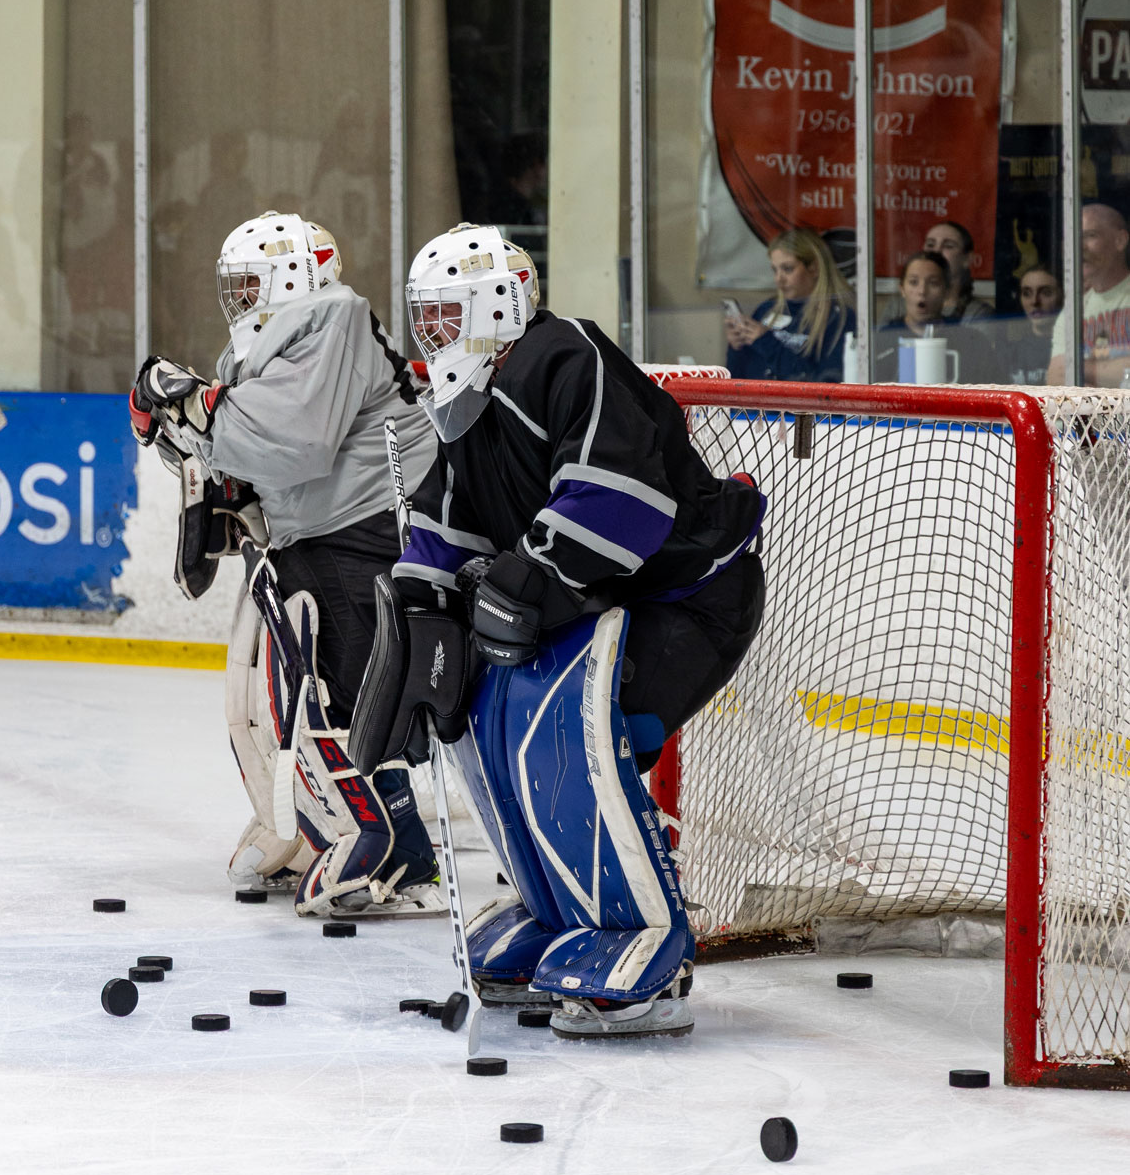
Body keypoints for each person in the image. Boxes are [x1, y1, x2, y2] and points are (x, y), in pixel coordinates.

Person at [352, 222, 766, 1042]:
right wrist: (421, 598)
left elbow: (623, 498)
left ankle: (639, 932)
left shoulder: (562, 356)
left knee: (567, 738)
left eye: (447, 314)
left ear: (499, 305)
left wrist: (529, 575)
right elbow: (450, 521)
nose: (431, 334)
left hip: (686, 598)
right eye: (423, 316)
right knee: (487, 721)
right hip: (599, 600)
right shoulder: (464, 403)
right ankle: (556, 910)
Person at [129, 210, 443, 916]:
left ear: (293, 276)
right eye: (232, 284)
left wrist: (194, 407)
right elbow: (236, 446)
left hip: (364, 533)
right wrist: (179, 423)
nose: (237, 298)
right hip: (321, 535)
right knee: (282, 695)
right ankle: (308, 824)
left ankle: (396, 849)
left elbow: (289, 440)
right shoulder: (279, 342)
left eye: (250, 283)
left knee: (345, 695)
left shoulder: (333, 316)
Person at [724, 227, 854, 382]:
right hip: (754, 403)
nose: (779, 279)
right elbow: (736, 378)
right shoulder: (766, 310)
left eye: (788, 269)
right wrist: (737, 348)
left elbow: (820, 382)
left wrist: (765, 341)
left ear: (813, 268)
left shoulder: (838, 318)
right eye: (775, 270)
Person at [1047, 204, 1130, 386]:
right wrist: (1115, 369)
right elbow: (1056, 378)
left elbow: (1067, 371)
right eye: (1074, 238)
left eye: (1090, 236)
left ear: (1120, 241)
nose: (1080, 247)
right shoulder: (1074, 310)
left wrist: (1081, 369)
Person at [923, 219, 992, 322]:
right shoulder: (897, 306)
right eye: (930, 245)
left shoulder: (978, 313)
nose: (936, 251)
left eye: (948, 246)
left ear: (967, 259)